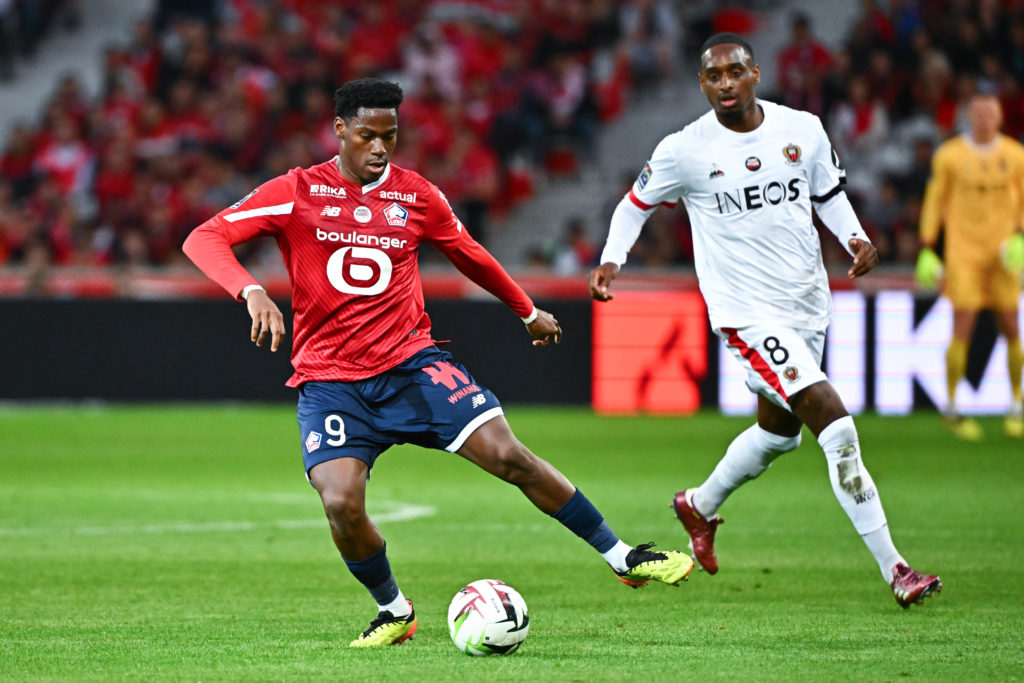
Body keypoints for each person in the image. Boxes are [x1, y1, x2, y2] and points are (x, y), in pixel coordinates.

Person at [183, 78, 692, 648]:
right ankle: (394, 611)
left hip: (413, 367)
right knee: (341, 504)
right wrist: (250, 291)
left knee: (509, 456)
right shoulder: (297, 190)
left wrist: (526, 311)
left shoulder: (417, 195)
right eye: (369, 136)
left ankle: (623, 556)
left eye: (391, 136)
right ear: (341, 131)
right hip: (331, 383)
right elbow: (204, 238)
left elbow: (468, 254)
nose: (380, 147)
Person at [588, 34, 941, 609]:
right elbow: (635, 204)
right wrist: (611, 260)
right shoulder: (684, 150)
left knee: (779, 436)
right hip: (745, 315)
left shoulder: (802, 129)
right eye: (712, 76)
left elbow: (826, 194)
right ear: (702, 85)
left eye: (734, 72)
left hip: (806, 302)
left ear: (755, 73)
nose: (724, 83)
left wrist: (853, 236)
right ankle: (896, 568)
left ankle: (698, 505)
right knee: (836, 424)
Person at [916, 93, 1024, 440]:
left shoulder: (1016, 156)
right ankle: (951, 406)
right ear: (968, 116)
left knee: (1011, 324)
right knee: (962, 323)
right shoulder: (949, 155)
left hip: (1004, 252)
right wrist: (928, 246)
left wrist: (1021, 236)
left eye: (990, 113)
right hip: (964, 253)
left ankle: (1017, 404)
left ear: (1000, 117)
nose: (984, 119)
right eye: (977, 112)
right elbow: (935, 200)